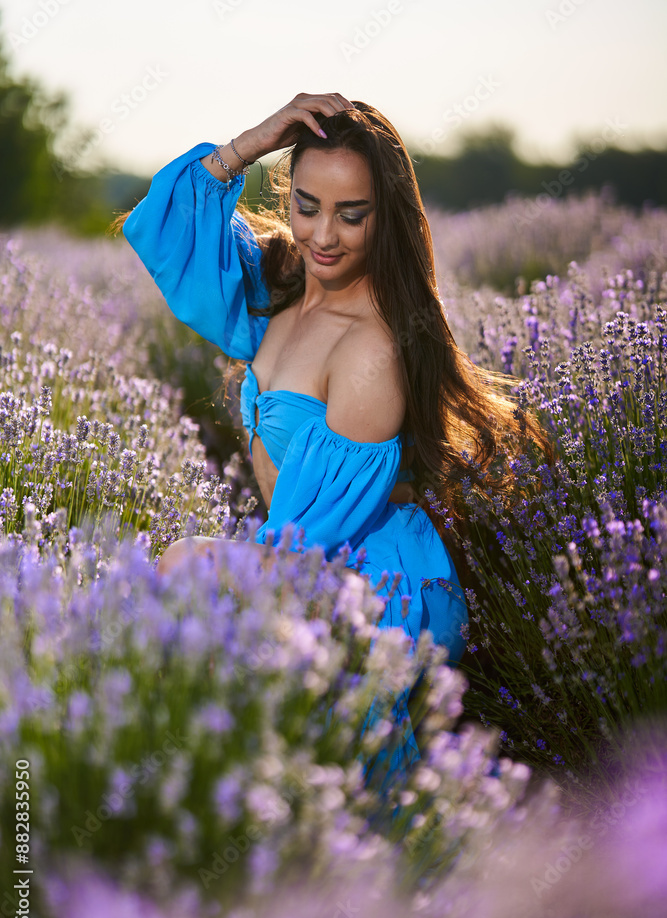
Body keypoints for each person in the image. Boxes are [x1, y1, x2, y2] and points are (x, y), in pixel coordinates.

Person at [112, 93, 550, 796]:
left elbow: (313, 546)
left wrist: (219, 570)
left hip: (377, 582)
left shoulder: (370, 348)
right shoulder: (285, 284)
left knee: (181, 572)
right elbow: (164, 234)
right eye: (307, 204)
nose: (323, 235)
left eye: (352, 215)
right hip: (311, 548)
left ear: (387, 218)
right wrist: (249, 144)